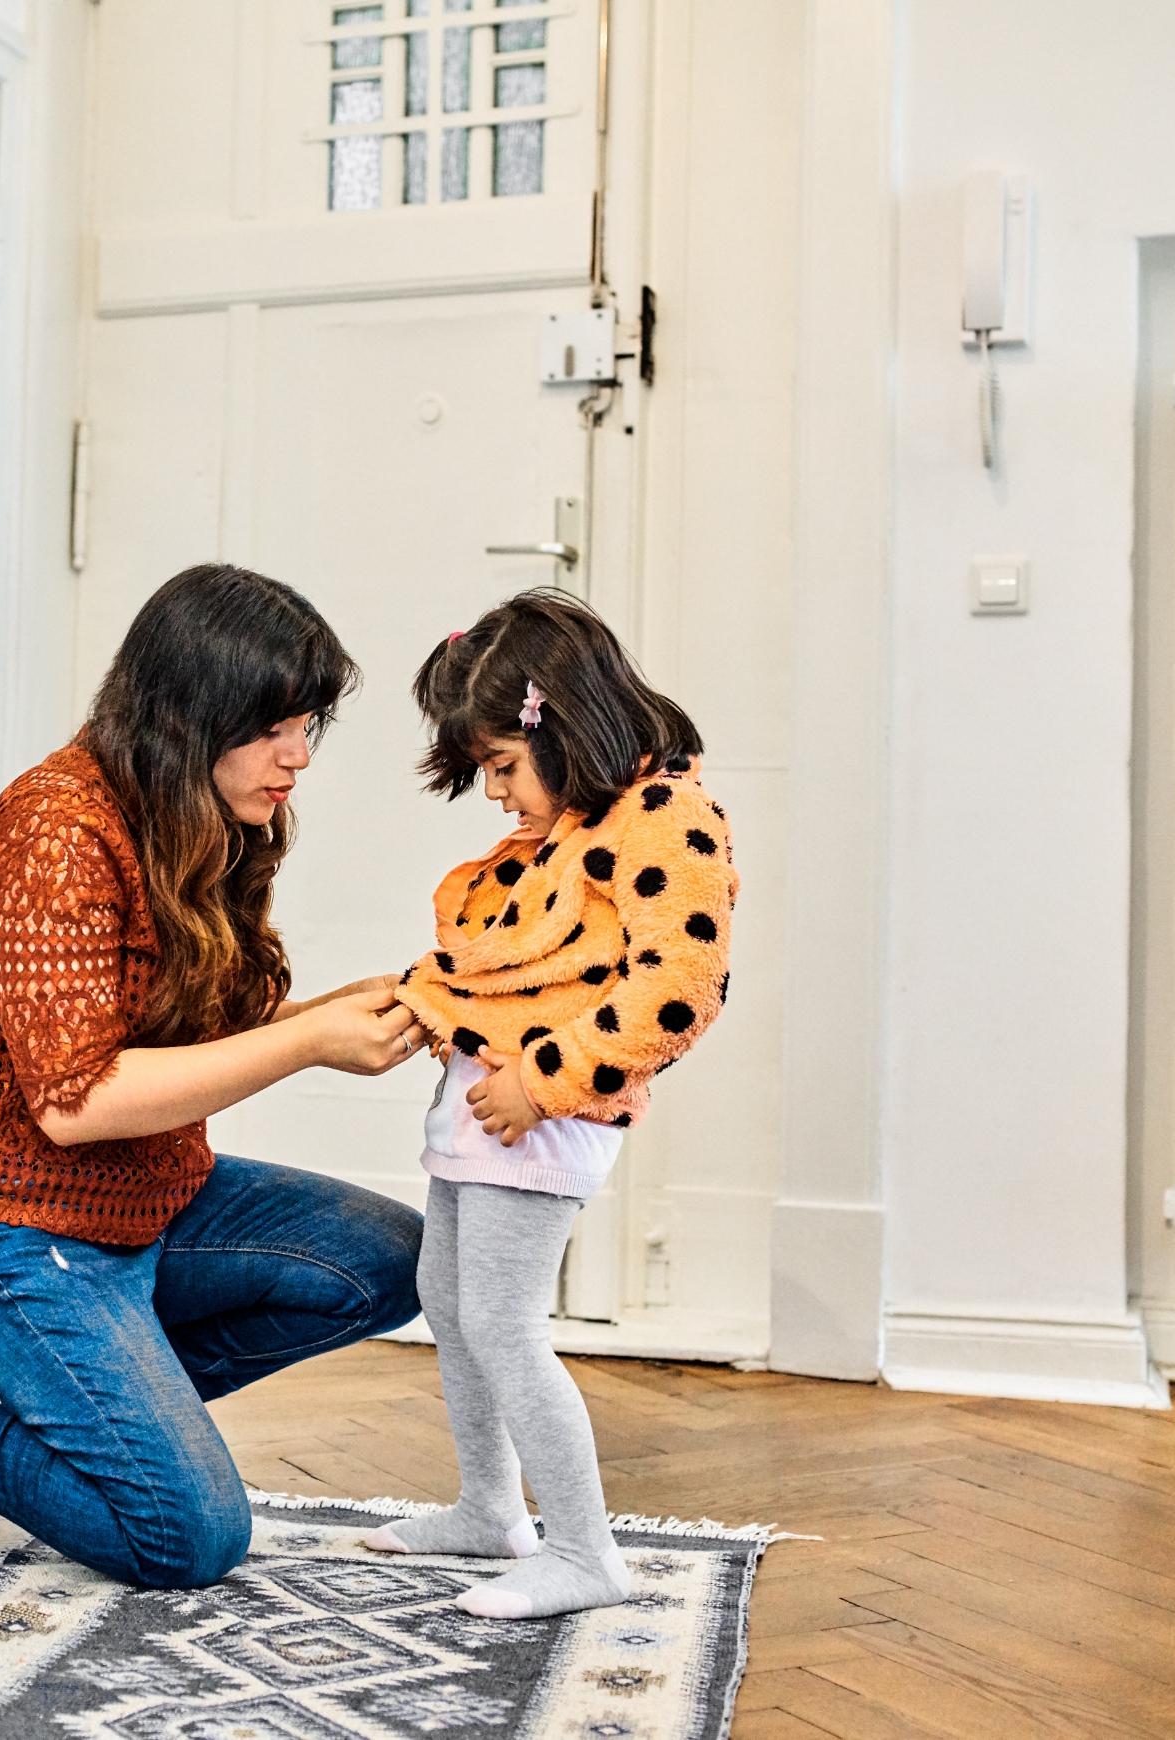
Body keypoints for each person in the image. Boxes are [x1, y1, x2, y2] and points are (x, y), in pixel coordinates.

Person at [0, 564, 428, 1589]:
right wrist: (311, 1043)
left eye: (309, 723)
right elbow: (76, 1105)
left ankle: (87, 1415)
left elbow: (211, 1034)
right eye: (274, 727)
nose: (299, 757)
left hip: (149, 1202)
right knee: (187, 1540)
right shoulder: (53, 830)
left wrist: (355, 1004)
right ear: (195, 714)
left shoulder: (205, 820)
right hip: (9, 1226)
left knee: (395, 1258)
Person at [366, 589, 738, 1618]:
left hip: (543, 1115)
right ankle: (492, 1509)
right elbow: (509, 953)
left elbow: (677, 991)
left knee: (502, 1320)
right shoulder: (576, 823)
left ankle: (584, 1551)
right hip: (488, 1111)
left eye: (499, 768)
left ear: (559, 722)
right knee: (449, 1299)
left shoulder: (667, 817)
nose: (493, 795)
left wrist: (545, 1078)